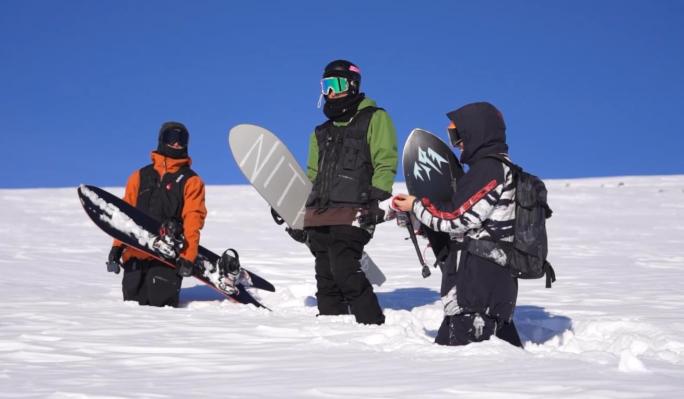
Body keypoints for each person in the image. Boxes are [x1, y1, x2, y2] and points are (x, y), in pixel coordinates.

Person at [393, 102, 522, 346]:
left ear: (476, 131)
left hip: (477, 288)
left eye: (456, 134)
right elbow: (475, 222)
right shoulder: (500, 169)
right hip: (486, 284)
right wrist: (418, 219)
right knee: (485, 359)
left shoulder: (489, 169)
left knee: (470, 370)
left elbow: (457, 217)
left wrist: (416, 206)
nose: (456, 143)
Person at [300, 59, 398, 325]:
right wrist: (297, 209)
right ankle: (335, 332)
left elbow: (385, 160)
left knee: (345, 269)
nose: (330, 92)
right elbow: (312, 173)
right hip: (320, 214)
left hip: (356, 209)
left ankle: (372, 323)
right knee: (326, 276)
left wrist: (377, 198)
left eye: (336, 84)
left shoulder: (375, 118)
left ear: (352, 85)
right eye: (325, 85)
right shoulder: (320, 132)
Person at [105, 122, 207, 307]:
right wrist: (116, 247)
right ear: (162, 140)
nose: (176, 144)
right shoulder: (139, 176)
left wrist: (188, 256)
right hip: (134, 257)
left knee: (159, 313)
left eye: (181, 140)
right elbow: (124, 215)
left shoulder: (191, 181)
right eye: (172, 138)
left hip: (167, 260)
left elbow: (193, 218)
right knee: (132, 311)